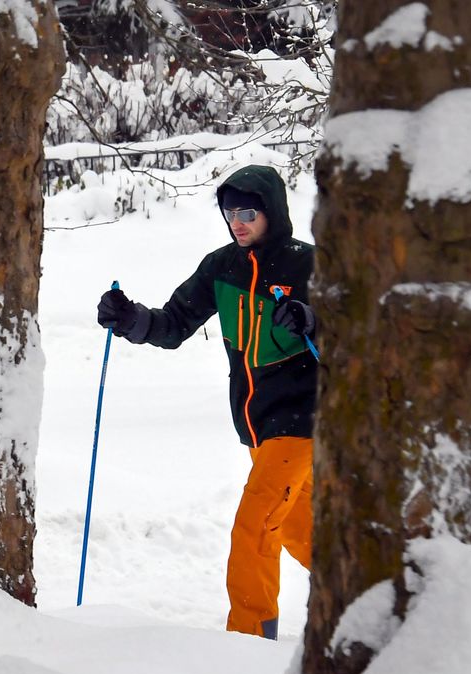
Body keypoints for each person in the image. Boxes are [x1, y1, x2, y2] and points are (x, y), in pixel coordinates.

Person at [96, 164, 318, 639]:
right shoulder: (222, 267)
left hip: (304, 421)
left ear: (272, 212)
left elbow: (362, 330)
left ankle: (249, 642)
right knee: (304, 530)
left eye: (249, 212)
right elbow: (174, 324)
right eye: (230, 211)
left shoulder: (309, 265)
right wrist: (130, 319)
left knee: (255, 527)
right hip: (257, 427)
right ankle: (383, 594)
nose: (238, 221)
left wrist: (312, 319)